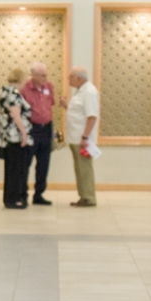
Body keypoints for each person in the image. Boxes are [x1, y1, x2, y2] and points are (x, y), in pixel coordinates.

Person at [20, 62, 56, 205]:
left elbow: (50, 104)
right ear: (33, 75)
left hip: (46, 128)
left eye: (46, 75)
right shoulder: (24, 89)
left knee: (43, 164)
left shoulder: (49, 87)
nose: (45, 78)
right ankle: (23, 194)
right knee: (26, 163)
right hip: (31, 128)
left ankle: (39, 194)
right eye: (42, 75)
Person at [62, 66, 99, 207]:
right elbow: (78, 113)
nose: (68, 80)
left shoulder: (89, 92)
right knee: (79, 169)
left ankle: (89, 198)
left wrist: (85, 137)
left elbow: (92, 117)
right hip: (75, 138)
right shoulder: (80, 92)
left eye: (70, 77)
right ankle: (83, 196)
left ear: (78, 78)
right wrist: (66, 106)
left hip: (82, 139)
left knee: (85, 169)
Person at [0, 68, 31, 209]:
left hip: (6, 137)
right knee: (16, 170)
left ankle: (9, 198)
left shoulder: (3, 91)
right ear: (21, 79)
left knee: (10, 169)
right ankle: (14, 199)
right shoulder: (14, 94)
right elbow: (16, 115)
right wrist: (24, 133)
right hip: (15, 137)